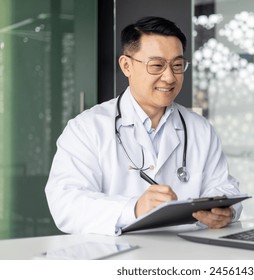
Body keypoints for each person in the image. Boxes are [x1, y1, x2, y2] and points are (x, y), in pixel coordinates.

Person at [45, 16, 242, 236]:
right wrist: (135, 208)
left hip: (186, 255)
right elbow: (66, 203)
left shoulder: (200, 129)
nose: (169, 77)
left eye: (177, 65)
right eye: (157, 65)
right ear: (126, 65)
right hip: (117, 257)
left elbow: (224, 186)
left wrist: (227, 211)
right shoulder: (87, 128)